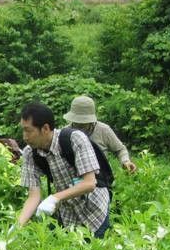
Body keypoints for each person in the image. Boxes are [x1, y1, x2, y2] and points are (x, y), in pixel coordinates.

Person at [17, 102, 111, 238]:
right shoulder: (29, 153)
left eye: (28, 130)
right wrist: (16, 228)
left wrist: (55, 197)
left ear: (45, 128)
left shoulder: (74, 139)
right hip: (69, 215)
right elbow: (33, 196)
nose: (25, 136)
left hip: (95, 211)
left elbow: (89, 183)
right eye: (23, 130)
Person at [64, 95, 137, 173]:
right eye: (77, 123)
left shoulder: (104, 130)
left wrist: (125, 162)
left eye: (83, 123)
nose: (80, 125)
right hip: (74, 177)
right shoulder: (64, 133)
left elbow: (120, 149)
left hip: (102, 177)